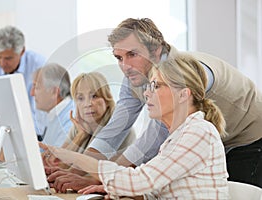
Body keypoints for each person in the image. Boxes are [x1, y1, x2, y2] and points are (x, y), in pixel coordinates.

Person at [48, 17, 262, 190]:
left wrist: (98, 178)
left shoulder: (180, 76)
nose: (125, 66)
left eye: (132, 54)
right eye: (119, 58)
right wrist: (75, 170)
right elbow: (115, 128)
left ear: (156, 50)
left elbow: (150, 142)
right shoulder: (137, 76)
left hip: (251, 137)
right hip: (219, 139)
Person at [48, 54, 229, 199]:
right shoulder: (176, 138)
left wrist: (74, 158)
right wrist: (119, 191)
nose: (147, 93)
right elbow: (159, 191)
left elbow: (144, 180)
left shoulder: (198, 132)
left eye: (156, 86)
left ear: (183, 95)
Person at [43, 72, 135, 191]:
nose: (88, 104)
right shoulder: (81, 127)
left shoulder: (118, 129)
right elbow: (58, 164)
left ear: (107, 99)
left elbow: (101, 176)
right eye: (80, 98)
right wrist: (80, 136)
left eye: (94, 96)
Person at [0, 25, 46, 142]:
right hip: (1, 125)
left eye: (8, 58)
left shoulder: (39, 65)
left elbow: (42, 109)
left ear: (22, 51)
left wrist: (35, 138)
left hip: (33, 125)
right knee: (1, 160)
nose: (2, 63)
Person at [30, 63, 74, 147]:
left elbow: (56, 158)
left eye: (36, 87)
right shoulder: (55, 114)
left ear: (54, 91)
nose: (32, 93)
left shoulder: (71, 117)